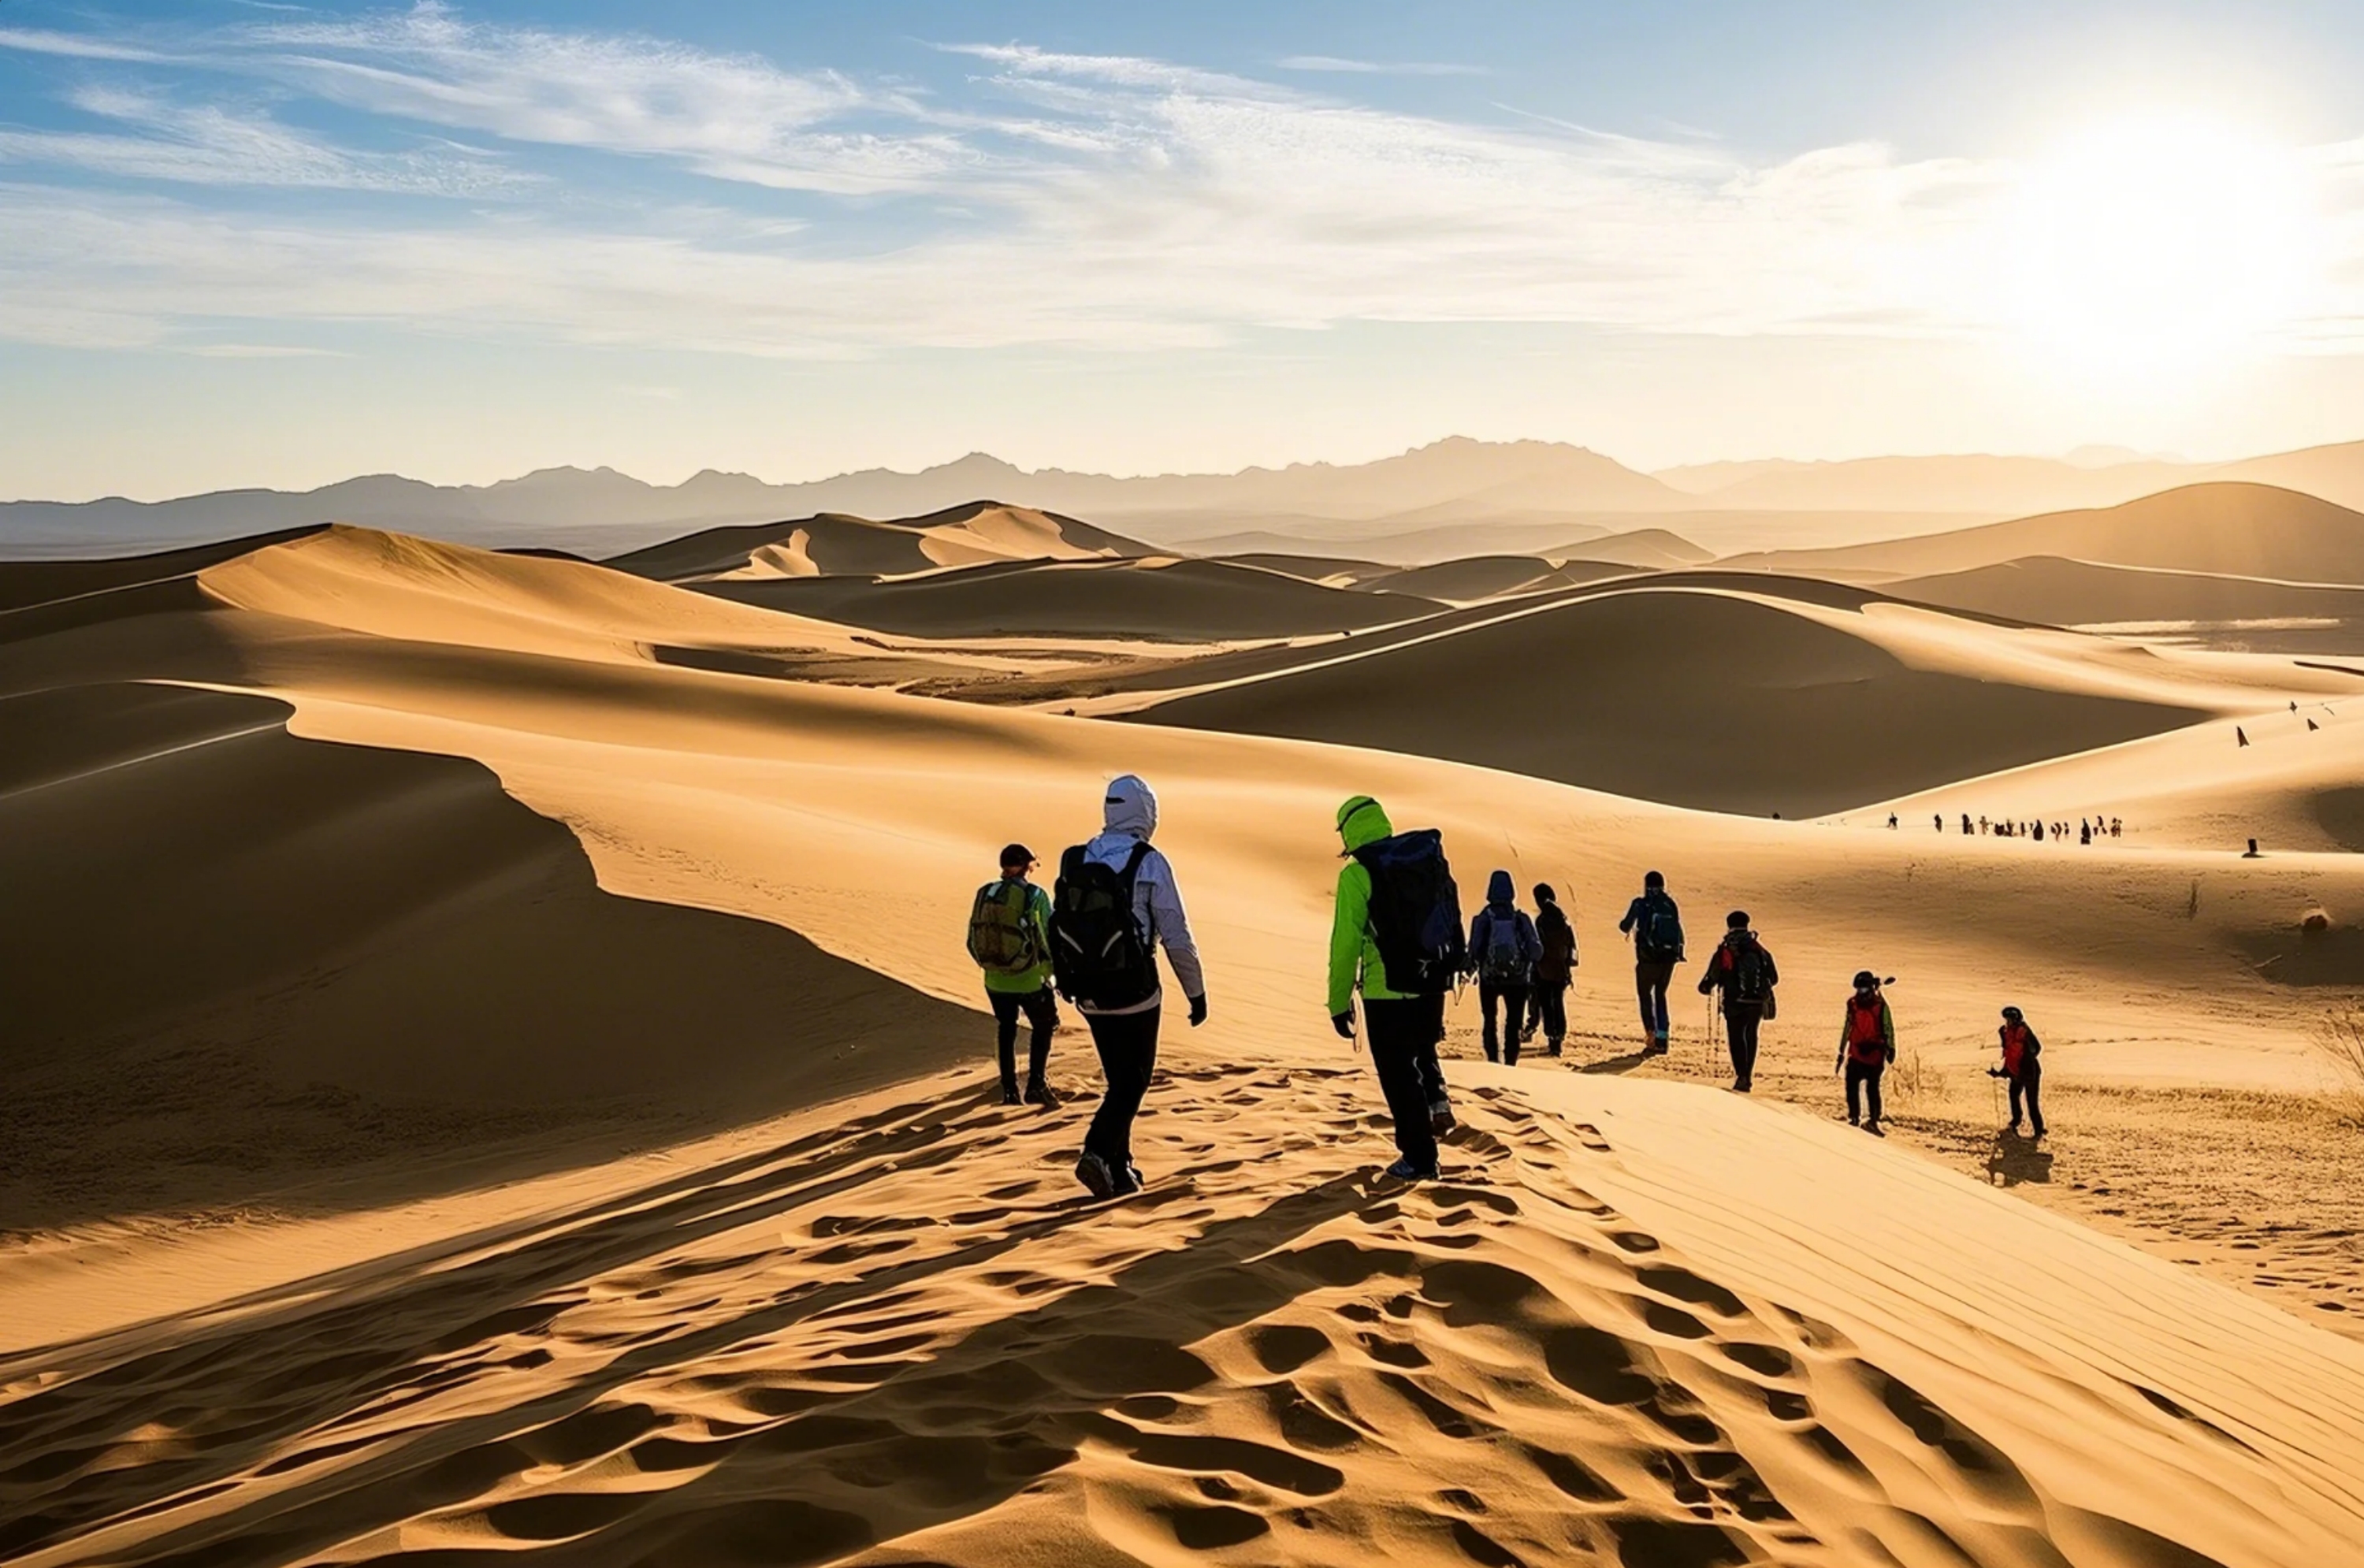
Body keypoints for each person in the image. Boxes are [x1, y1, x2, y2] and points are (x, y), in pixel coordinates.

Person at [1048, 775, 1206, 1199]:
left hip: (1089, 993)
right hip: (1136, 990)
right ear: (1147, 812)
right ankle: (1097, 1151)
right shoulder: (1149, 861)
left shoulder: (1077, 858)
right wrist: (1197, 992)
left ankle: (1120, 1171)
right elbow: (1176, 934)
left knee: (1119, 1079)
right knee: (1134, 1080)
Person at [1329, 794, 1463, 1181]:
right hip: (1431, 982)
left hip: (1385, 990)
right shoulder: (1422, 860)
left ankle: (1420, 1159)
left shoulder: (1358, 874)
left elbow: (1345, 944)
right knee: (1423, 1052)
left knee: (1398, 1074)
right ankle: (1438, 1102)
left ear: (1348, 831)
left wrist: (1338, 1003)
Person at [966, 842, 1061, 1107]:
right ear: (1024, 866)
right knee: (1044, 1025)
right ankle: (1036, 1085)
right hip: (1029, 978)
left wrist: (992, 966)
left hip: (994, 980)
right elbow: (1047, 936)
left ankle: (1009, 1091)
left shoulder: (985, 893)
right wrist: (1053, 973)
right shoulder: (1034, 895)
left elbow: (971, 939)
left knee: (1006, 1029)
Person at [1697, 910, 1778, 1092]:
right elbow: (1774, 977)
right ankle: (1747, 1076)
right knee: (1751, 1035)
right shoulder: (1759, 949)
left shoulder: (1726, 949)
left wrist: (1706, 986)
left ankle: (1740, 1075)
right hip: (1755, 1001)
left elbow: (1712, 977)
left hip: (1733, 1000)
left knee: (1736, 1037)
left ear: (1729, 926)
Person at [1469, 871, 1541, 1065]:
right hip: (1518, 980)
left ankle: (1493, 1060)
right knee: (1514, 1023)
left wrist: (1473, 965)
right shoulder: (1520, 919)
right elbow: (1536, 950)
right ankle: (1511, 1062)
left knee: (1490, 1020)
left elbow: (1475, 949)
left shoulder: (1484, 917)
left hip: (1489, 978)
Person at [1618, 871, 1685, 1053]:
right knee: (1661, 995)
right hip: (1668, 959)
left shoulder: (1640, 903)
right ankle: (1663, 1038)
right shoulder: (1670, 904)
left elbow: (1625, 925)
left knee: (1645, 996)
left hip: (1648, 959)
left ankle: (1651, 1036)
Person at [1835, 971, 1895, 1134]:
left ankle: (1872, 1120)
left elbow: (1887, 1026)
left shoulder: (1879, 1006)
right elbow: (1848, 1027)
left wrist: (1890, 1047)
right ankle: (1855, 1117)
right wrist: (1841, 1050)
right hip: (1858, 1052)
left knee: (1871, 1087)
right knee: (1853, 1085)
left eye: (1863, 988)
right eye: (1859, 989)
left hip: (1874, 1053)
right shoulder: (1854, 1004)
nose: (1861, 992)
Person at [1526, 883, 1578, 1057]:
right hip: (1561, 970)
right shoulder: (1563, 919)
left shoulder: (1541, 920)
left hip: (1543, 970)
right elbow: (1571, 945)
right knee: (1558, 1004)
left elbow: (1537, 945)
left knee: (1547, 1005)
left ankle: (1551, 1038)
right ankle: (1558, 1039)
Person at [1991, 1005, 2046, 1137]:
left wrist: (2026, 1063)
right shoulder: (2006, 1033)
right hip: (2016, 1072)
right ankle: (2016, 1121)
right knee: (2013, 1096)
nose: (2007, 1022)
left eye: (2009, 1019)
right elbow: (2009, 1053)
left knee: (2031, 1102)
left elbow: (2036, 1049)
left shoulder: (2023, 1032)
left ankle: (2038, 1130)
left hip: (2029, 1073)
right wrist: (2003, 1071)